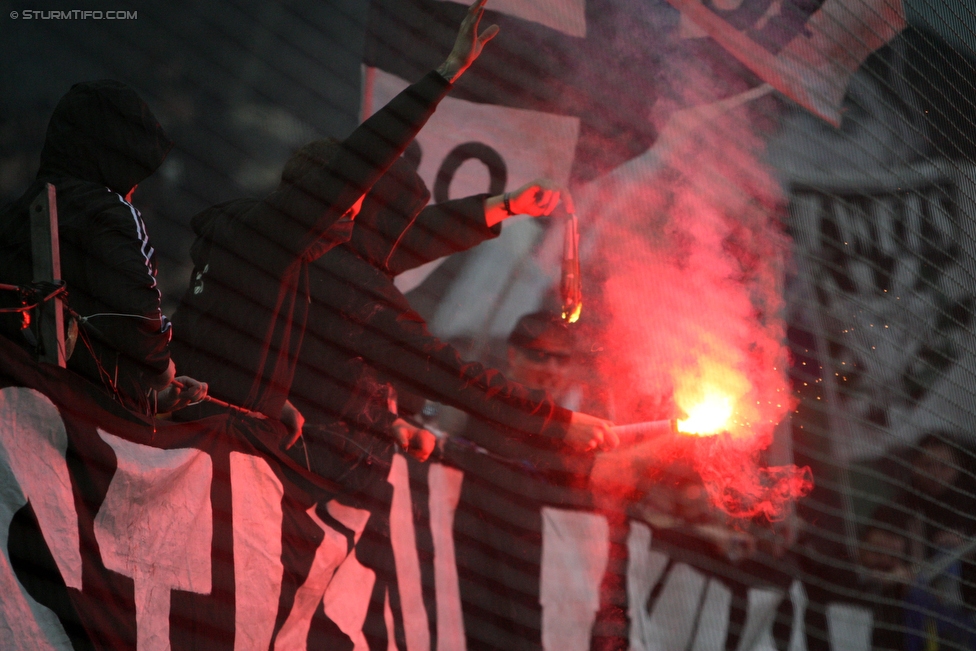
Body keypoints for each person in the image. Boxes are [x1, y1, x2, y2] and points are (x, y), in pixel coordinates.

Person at [170, 0, 500, 440]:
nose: (350, 220)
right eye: (347, 204)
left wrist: (270, 402)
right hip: (211, 442)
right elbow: (366, 156)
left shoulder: (258, 248)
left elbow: (220, 347)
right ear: (315, 198)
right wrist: (446, 72)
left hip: (223, 432)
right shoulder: (272, 239)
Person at [0, 80, 206, 414]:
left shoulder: (22, 208)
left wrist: (157, 399)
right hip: (65, 426)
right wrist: (162, 371)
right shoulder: (110, 211)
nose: (135, 188)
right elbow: (135, 319)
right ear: (118, 160)